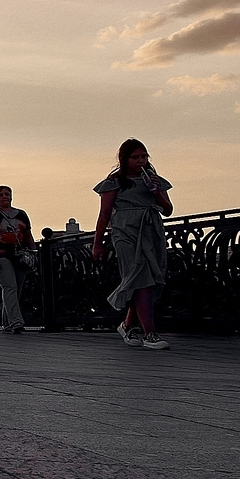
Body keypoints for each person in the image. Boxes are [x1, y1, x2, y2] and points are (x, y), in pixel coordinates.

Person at [94, 138, 174, 348]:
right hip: (125, 231)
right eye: (135, 157)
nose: (140, 161)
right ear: (125, 159)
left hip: (151, 230)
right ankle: (150, 333)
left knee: (147, 279)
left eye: (144, 156)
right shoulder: (114, 182)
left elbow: (168, 210)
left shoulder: (155, 180)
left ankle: (129, 325)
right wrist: (98, 243)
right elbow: (104, 214)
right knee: (140, 276)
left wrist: (156, 192)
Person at [0, 186, 35, 334]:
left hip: (20, 256)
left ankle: (7, 322)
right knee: (10, 287)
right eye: (0, 195)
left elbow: (28, 234)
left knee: (15, 289)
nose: (4, 197)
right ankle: (17, 322)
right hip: (0, 255)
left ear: (11, 196)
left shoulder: (21, 214)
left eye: (7, 194)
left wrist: (34, 252)